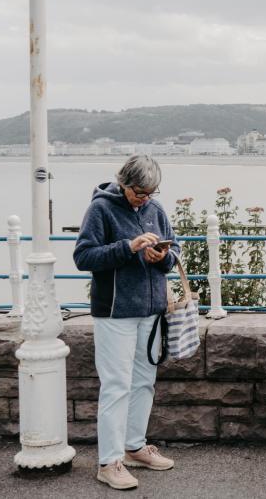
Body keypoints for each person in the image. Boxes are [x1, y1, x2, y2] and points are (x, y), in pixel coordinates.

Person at [74, 155, 180, 491]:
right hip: (115, 311)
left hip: (150, 310)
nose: (144, 198)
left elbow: (175, 250)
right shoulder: (101, 209)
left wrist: (163, 256)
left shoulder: (155, 209)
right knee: (117, 384)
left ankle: (135, 447)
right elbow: (83, 256)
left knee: (144, 381)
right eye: (139, 192)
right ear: (123, 183)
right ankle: (109, 461)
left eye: (150, 192)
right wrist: (128, 247)